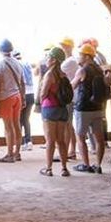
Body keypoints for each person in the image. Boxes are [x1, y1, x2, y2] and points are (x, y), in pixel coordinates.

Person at [72, 43, 110, 173]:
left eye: (81, 55)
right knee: (99, 139)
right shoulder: (100, 70)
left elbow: (72, 86)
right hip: (98, 107)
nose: (79, 57)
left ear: (87, 56)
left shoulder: (82, 70)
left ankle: (86, 165)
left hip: (83, 109)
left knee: (80, 136)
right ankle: (98, 165)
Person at [39, 46, 74, 177]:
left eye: (49, 57)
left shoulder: (49, 74)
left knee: (50, 141)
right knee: (61, 140)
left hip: (50, 108)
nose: (47, 59)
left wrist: (41, 100)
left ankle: (48, 169)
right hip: (62, 109)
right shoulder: (63, 75)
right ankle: (64, 168)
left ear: (54, 60)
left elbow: (43, 93)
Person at [0, 39, 25, 161]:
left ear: (0, 50)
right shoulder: (18, 63)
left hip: (6, 98)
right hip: (17, 96)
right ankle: (17, 153)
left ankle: (10, 154)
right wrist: (23, 97)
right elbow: (22, 83)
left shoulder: (0, 64)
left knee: (8, 126)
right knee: (16, 125)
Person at [15, 50, 35, 151]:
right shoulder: (27, 64)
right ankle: (29, 141)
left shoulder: (16, 65)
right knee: (26, 119)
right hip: (31, 94)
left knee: (19, 120)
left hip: (22, 94)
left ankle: (21, 141)